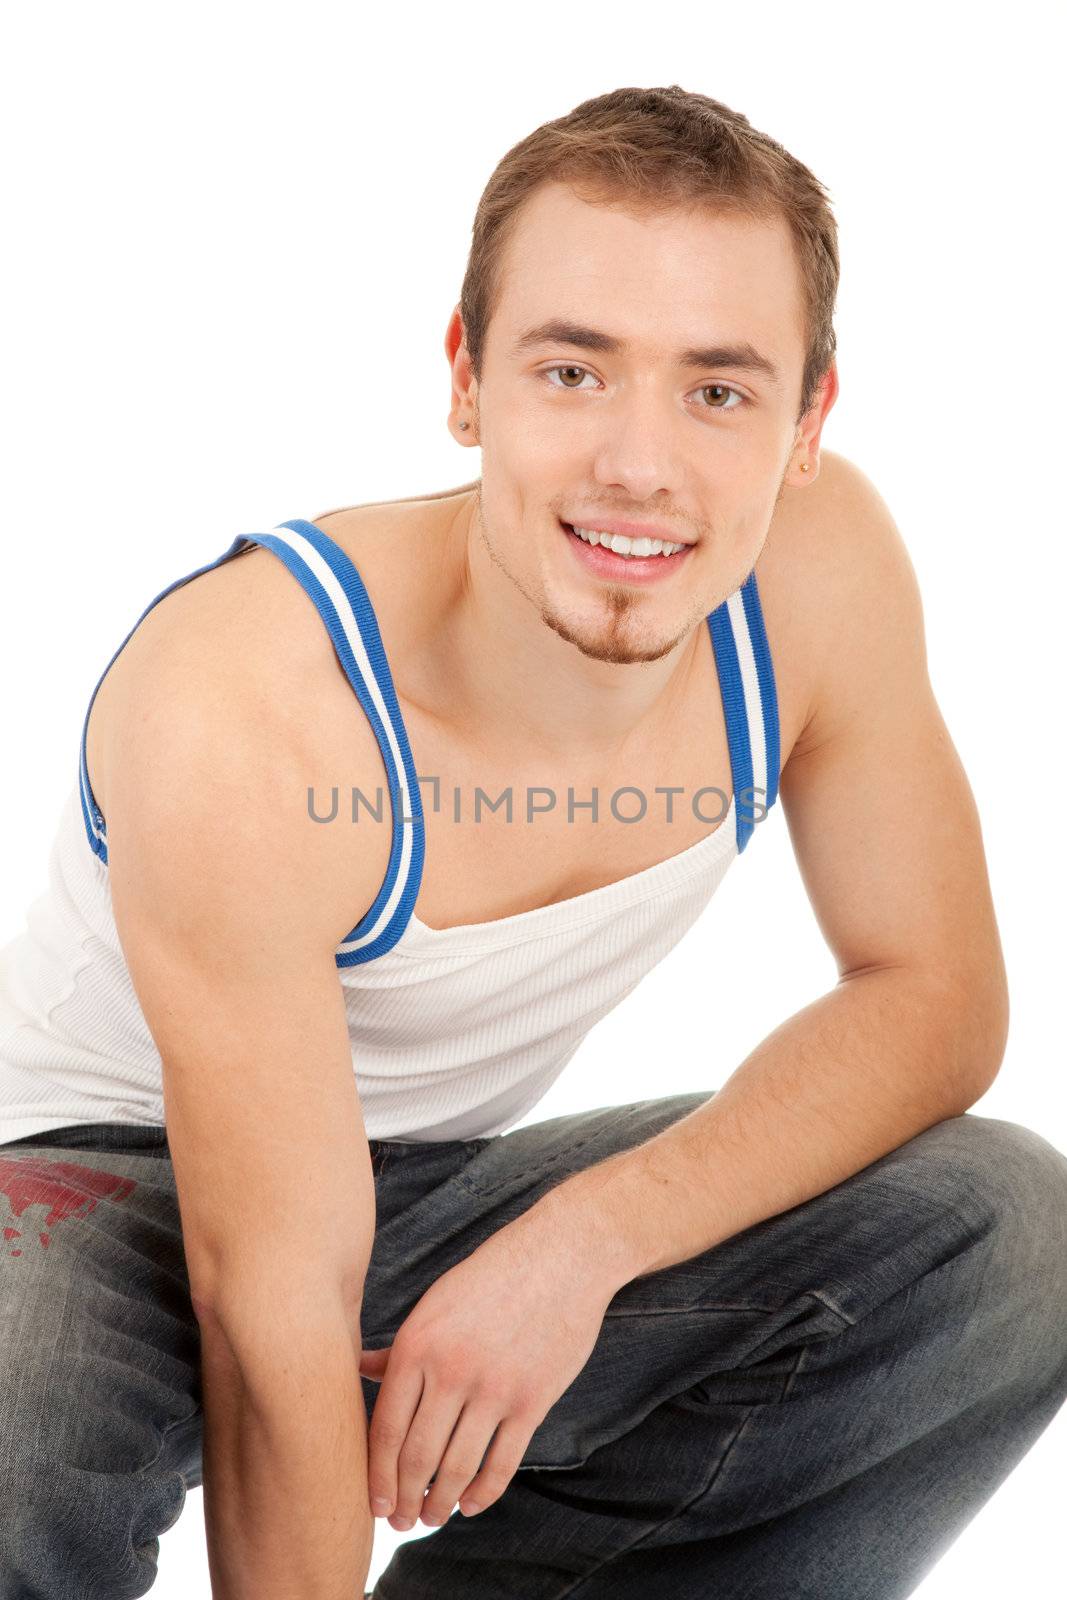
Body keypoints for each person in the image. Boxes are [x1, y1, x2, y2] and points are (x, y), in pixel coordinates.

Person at [1, 83, 1065, 1600]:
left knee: (1001, 1238)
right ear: (467, 380)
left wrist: (583, 1245)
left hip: (426, 1188)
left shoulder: (822, 579)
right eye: (574, 371)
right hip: (87, 1187)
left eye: (717, 391)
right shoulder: (246, 704)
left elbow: (935, 997)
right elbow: (270, 1296)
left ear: (809, 419)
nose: (639, 465)